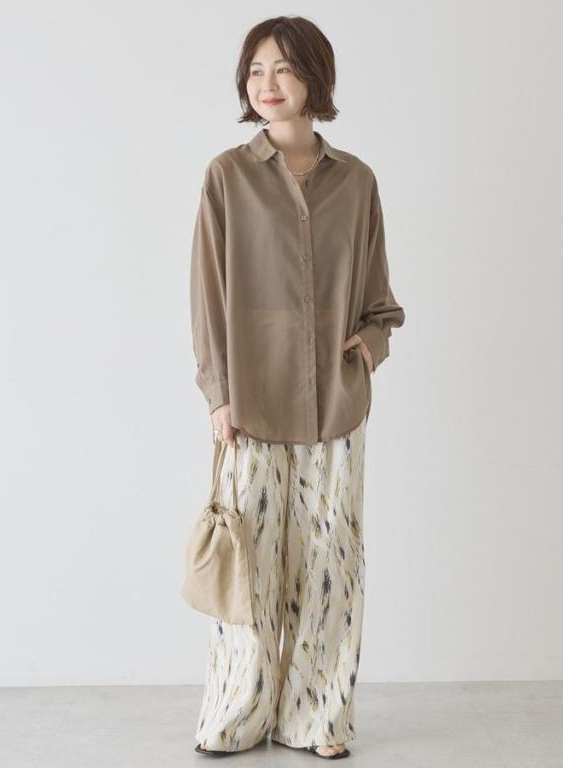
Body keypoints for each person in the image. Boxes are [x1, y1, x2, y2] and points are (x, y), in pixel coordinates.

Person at [189, 15, 405, 760]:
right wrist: (218, 394)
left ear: (315, 76)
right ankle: (238, 714)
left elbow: (381, 305)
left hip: (336, 408)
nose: (268, 84)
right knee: (248, 568)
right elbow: (206, 298)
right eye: (255, 70)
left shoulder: (357, 182)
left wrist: (368, 349)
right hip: (249, 406)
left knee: (331, 566)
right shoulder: (226, 176)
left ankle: (318, 718)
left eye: (283, 68)